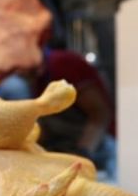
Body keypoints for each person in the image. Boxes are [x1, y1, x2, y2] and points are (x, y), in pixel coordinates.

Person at [35, 48, 117, 178]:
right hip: (69, 150)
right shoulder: (34, 75)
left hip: (99, 146)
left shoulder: (62, 64)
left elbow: (100, 114)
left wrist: (83, 153)